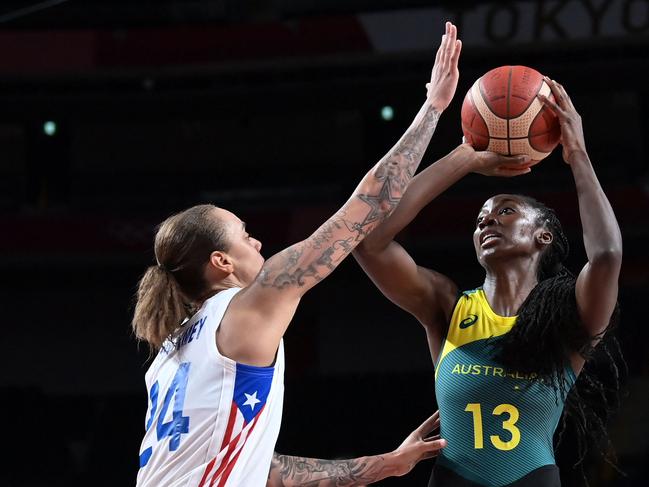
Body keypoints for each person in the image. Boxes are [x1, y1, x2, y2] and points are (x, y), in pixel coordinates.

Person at [132, 22, 516, 487]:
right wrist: (434, 110)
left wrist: (383, 465)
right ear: (221, 262)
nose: (256, 242)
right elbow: (363, 211)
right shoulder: (247, 306)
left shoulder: (172, 355)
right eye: (243, 234)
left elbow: (264, 469)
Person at [353, 78, 623, 487]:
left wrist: (579, 155)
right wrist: (463, 159)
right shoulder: (447, 305)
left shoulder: (568, 317)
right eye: (480, 217)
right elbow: (369, 242)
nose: (486, 220)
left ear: (543, 236)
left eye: (506, 210)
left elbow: (606, 256)